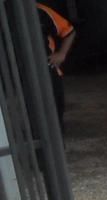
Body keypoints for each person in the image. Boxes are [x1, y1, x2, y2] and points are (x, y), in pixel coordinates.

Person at [36, 3, 75, 133]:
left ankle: (56, 150)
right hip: (20, 76)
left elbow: (69, 31)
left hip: (48, 71)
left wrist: (62, 54)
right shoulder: (6, 13)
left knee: (54, 115)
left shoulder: (40, 11)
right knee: (34, 118)